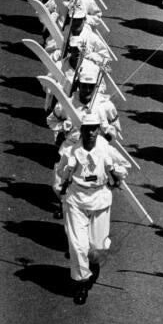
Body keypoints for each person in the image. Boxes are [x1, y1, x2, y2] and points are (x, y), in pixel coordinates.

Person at [54, 114, 130, 304]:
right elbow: (59, 175)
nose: (91, 133)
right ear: (82, 130)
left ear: (98, 129)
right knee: (78, 245)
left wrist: (113, 170)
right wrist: (67, 171)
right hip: (77, 200)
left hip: (100, 200)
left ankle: (92, 263)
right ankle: (81, 283)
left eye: (94, 128)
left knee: (97, 249)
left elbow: (124, 169)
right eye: (87, 129)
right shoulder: (72, 151)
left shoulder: (106, 149)